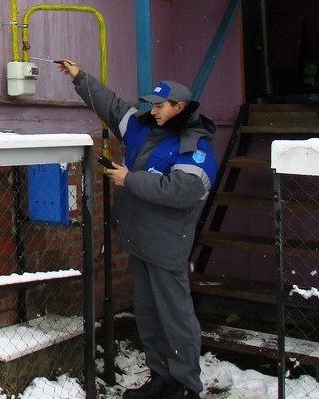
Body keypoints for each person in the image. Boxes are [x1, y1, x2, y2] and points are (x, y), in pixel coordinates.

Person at [57, 59, 218, 399]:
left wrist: (130, 179)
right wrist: (79, 77)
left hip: (166, 246)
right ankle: (161, 378)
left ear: (180, 107)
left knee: (175, 316)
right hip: (138, 241)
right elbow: (111, 105)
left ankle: (185, 385)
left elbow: (182, 190)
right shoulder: (142, 127)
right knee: (148, 315)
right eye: (152, 105)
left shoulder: (194, 145)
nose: (153, 111)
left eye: (160, 106)